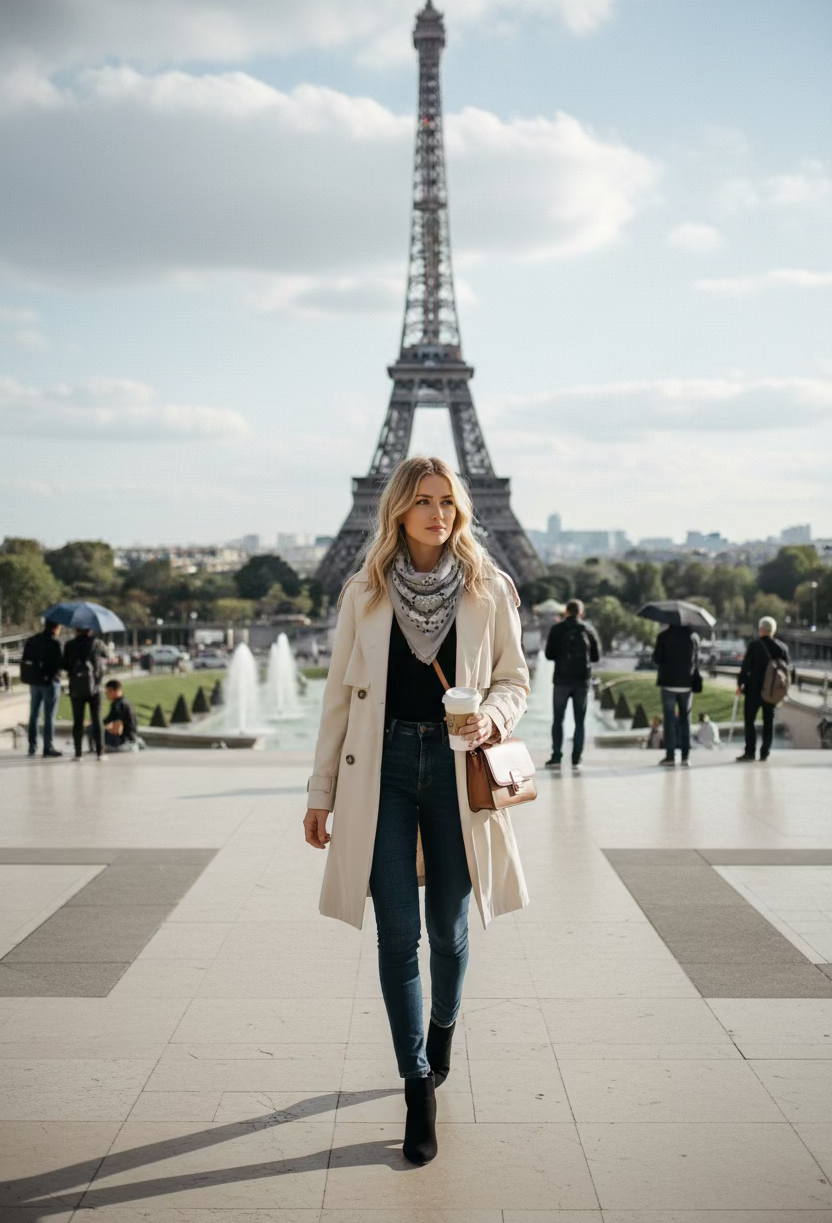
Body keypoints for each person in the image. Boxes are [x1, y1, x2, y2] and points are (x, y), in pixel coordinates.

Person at [303, 456, 529, 1167]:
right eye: (424, 501)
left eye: (449, 502)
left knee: (449, 930)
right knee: (397, 935)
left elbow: (513, 679)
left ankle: (442, 1028)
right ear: (397, 508)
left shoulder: (489, 587)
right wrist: (319, 794)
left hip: (459, 772)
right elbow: (338, 698)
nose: (439, 513)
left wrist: (491, 719)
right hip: (385, 771)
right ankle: (416, 1086)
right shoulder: (363, 592)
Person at [543, 599, 600, 772]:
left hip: (561, 679)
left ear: (566, 612)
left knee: (558, 719)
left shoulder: (557, 629)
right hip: (581, 681)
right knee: (580, 721)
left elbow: (548, 655)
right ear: (581, 613)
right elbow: (596, 657)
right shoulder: (588, 629)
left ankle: (556, 757)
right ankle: (576, 759)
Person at [736, 616, 789, 762]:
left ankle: (750, 752)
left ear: (762, 629)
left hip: (753, 690)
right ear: (773, 631)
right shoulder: (782, 648)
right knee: (768, 722)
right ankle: (765, 752)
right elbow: (786, 670)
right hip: (772, 692)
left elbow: (745, 667)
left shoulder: (754, 645)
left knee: (750, 721)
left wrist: (740, 684)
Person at [653, 623, 700, 768]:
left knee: (669, 721)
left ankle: (670, 756)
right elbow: (696, 660)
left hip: (668, 683)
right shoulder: (693, 637)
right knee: (685, 720)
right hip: (686, 684)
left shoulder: (663, 636)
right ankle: (686, 756)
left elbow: (657, 658)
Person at [21, 621, 64, 757]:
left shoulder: (33, 640)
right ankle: (48, 746)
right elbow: (59, 664)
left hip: (35, 681)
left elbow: (25, 659)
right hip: (51, 683)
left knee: (34, 714)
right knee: (49, 716)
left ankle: (32, 745)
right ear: (56, 627)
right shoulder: (56, 643)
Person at [63, 628, 105, 760]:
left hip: (76, 687)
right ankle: (100, 752)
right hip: (95, 687)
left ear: (76, 630)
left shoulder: (69, 645)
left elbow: (64, 664)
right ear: (90, 630)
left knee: (78, 721)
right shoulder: (97, 644)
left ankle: (78, 753)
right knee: (97, 720)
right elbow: (105, 658)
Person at [92, 680, 138, 753]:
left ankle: (96, 749)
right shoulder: (124, 702)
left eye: (107, 693)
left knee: (93, 729)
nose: (106, 696)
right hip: (131, 739)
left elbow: (117, 730)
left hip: (124, 742)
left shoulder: (118, 705)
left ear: (112, 691)